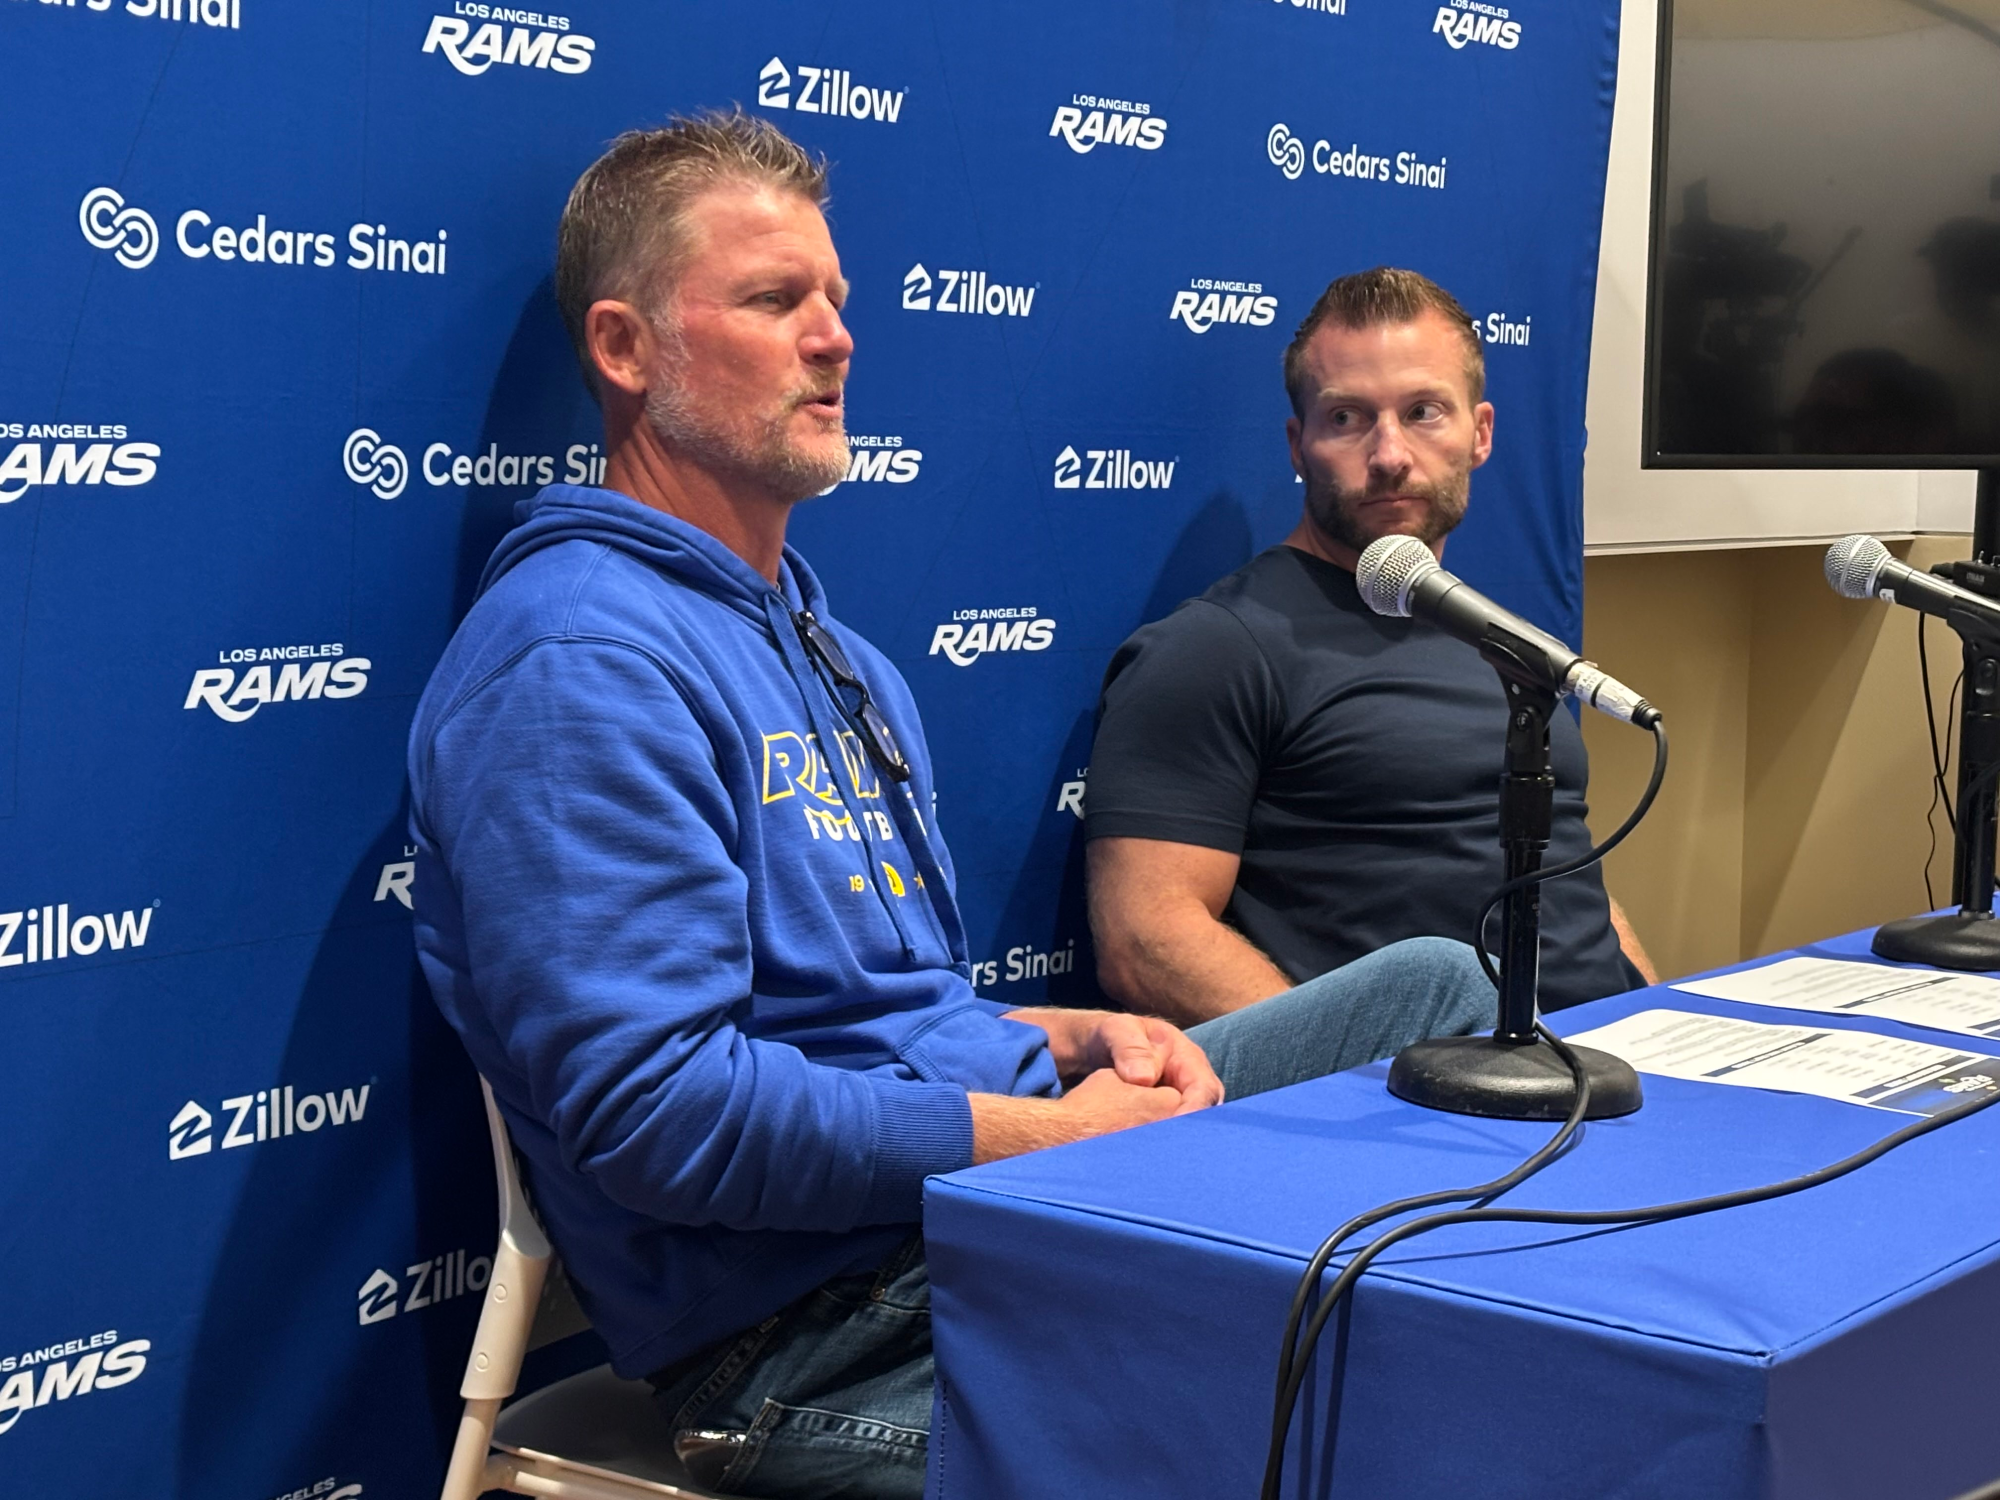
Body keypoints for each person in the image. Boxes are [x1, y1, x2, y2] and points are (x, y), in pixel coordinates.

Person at [406, 118, 1494, 1500]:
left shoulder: (839, 656)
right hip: (805, 1341)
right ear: (624, 351)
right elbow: (656, 1114)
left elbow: (897, 1018)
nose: (834, 338)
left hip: (984, 1215)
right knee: (1367, 1412)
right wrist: (1052, 1136)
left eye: (836, 301)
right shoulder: (578, 660)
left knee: (1432, 995)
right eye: (772, 300)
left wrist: (1080, 1032)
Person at [1086, 267, 1658, 1027]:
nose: (1389, 453)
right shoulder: (1218, 646)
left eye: (1423, 412)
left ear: (1479, 433)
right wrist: (1353, 1073)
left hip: (1615, 1068)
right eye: (1349, 418)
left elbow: (1568, 878)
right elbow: (1145, 938)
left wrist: (1658, 1021)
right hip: (1418, 1107)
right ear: (1299, 444)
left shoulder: (1510, 644)